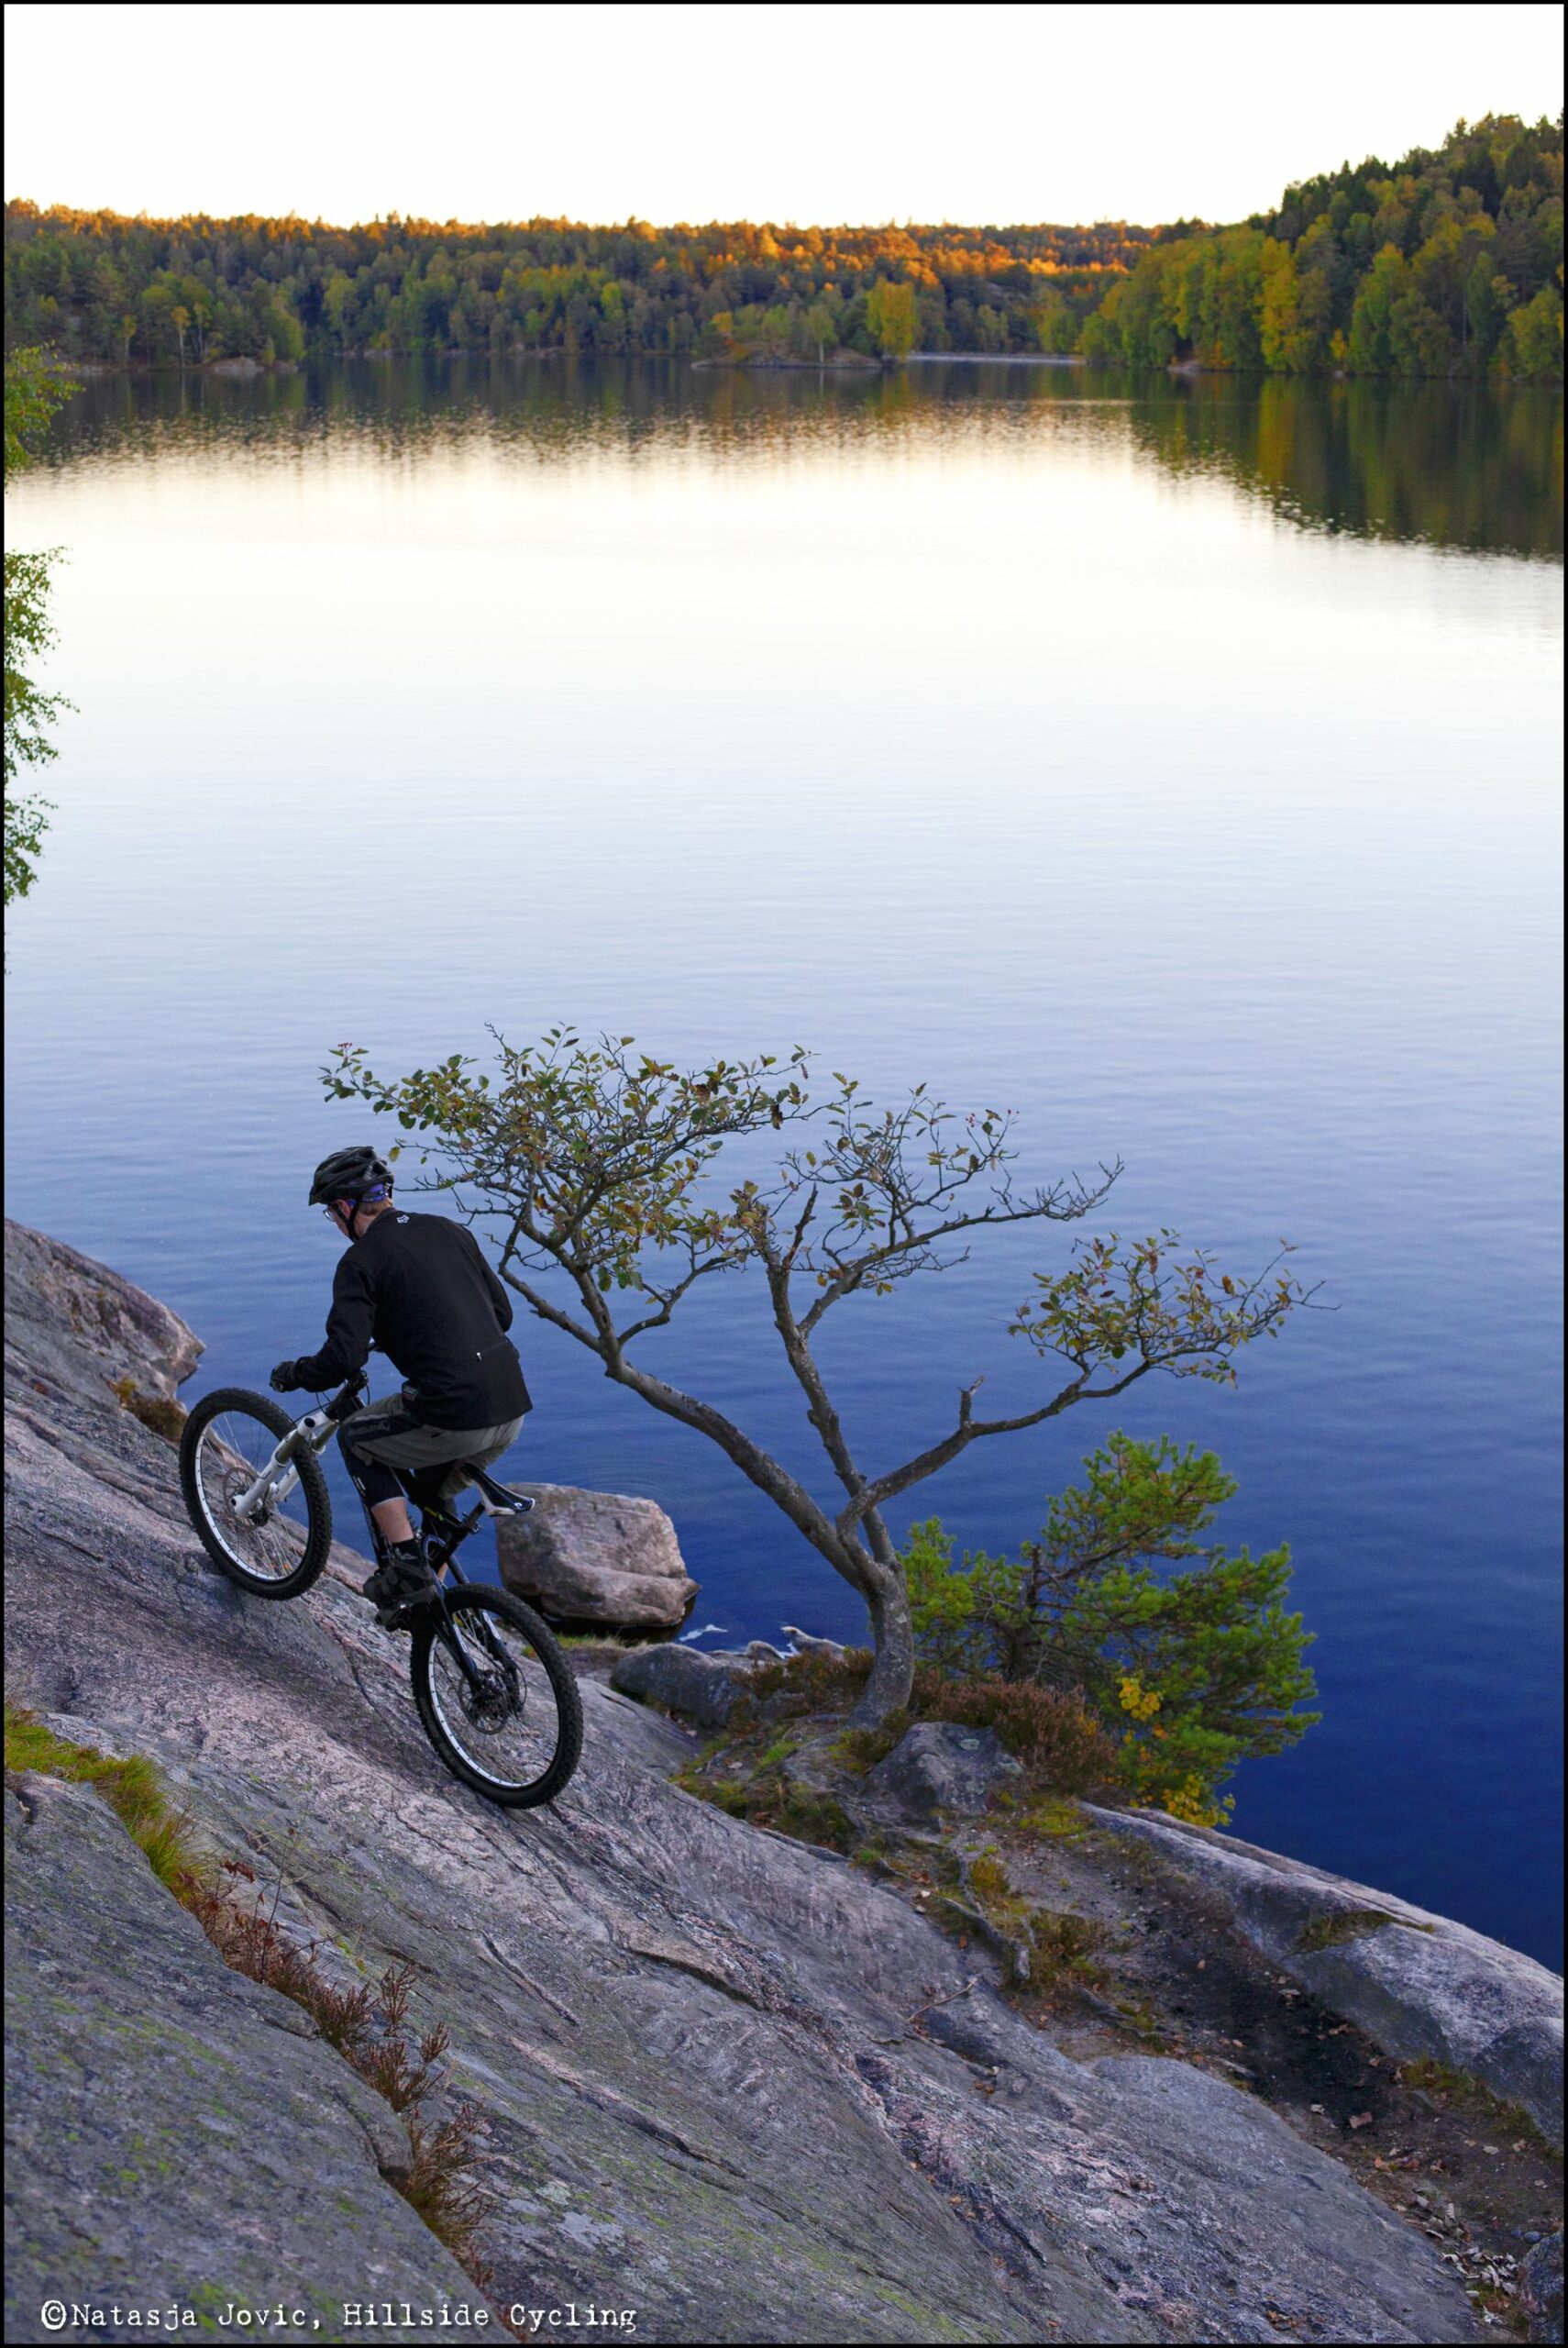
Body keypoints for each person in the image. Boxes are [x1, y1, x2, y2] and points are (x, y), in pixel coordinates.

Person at [270, 1146, 530, 1626]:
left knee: (356, 1438)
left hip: (453, 1415)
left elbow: (340, 1361)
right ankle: (438, 1608)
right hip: (510, 1408)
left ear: (347, 1208)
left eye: (331, 1212)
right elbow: (502, 1316)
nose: (333, 1222)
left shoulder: (360, 1262)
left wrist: (294, 1373)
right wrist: (416, 1331)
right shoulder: (451, 1230)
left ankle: (408, 1565)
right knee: (432, 1495)